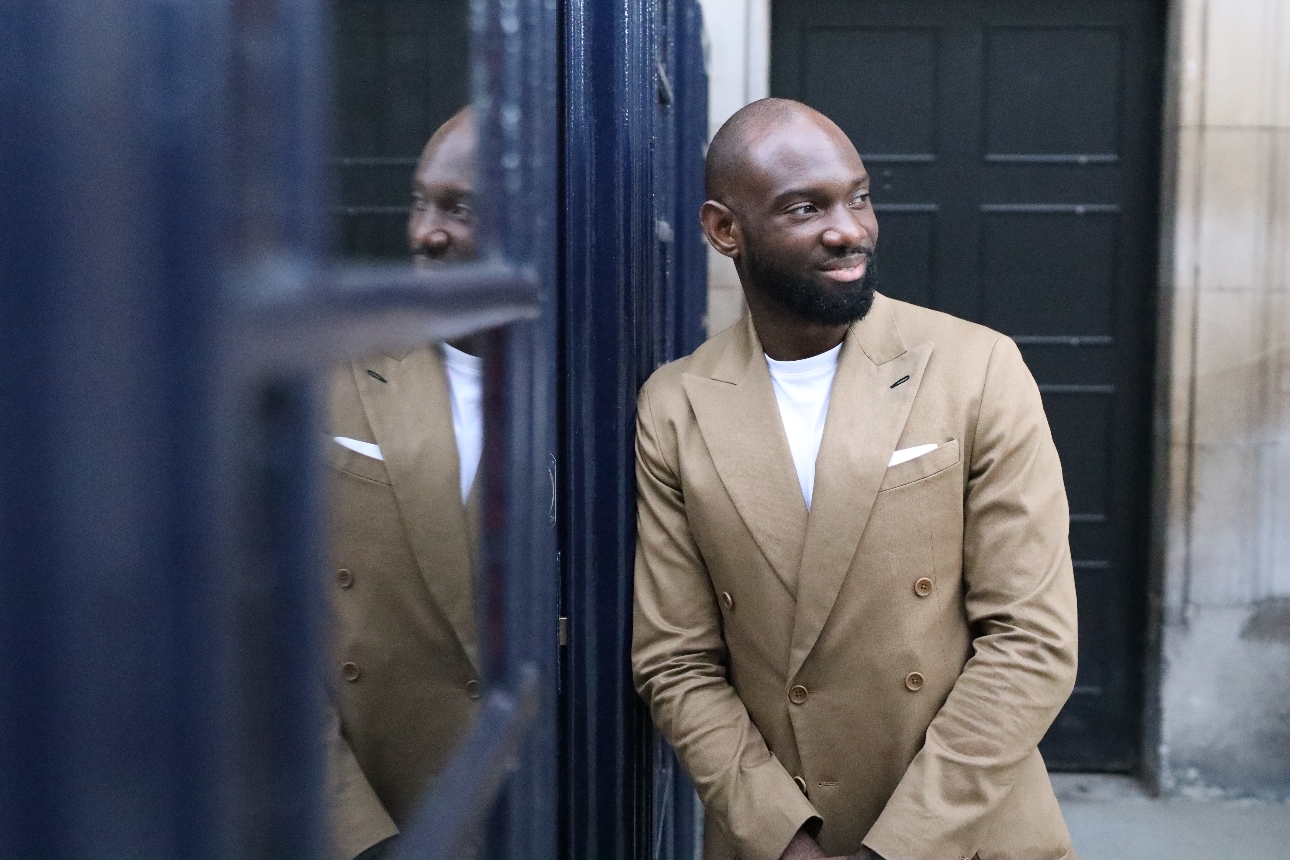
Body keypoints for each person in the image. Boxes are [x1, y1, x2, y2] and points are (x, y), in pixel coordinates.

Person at [632, 98, 1079, 860]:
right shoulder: (676, 404)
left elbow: (1032, 641)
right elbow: (674, 660)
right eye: (807, 208)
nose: (850, 230)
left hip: (963, 832)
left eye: (860, 197)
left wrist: (894, 850)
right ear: (723, 230)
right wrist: (782, 836)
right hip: (776, 838)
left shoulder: (977, 367)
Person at [324, 106, 486, 860]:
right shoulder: (331, 368)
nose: (426, 232)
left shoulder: (616, 384)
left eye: (462, 210)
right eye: (421, 202)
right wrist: (357, 834)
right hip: (376, 816)